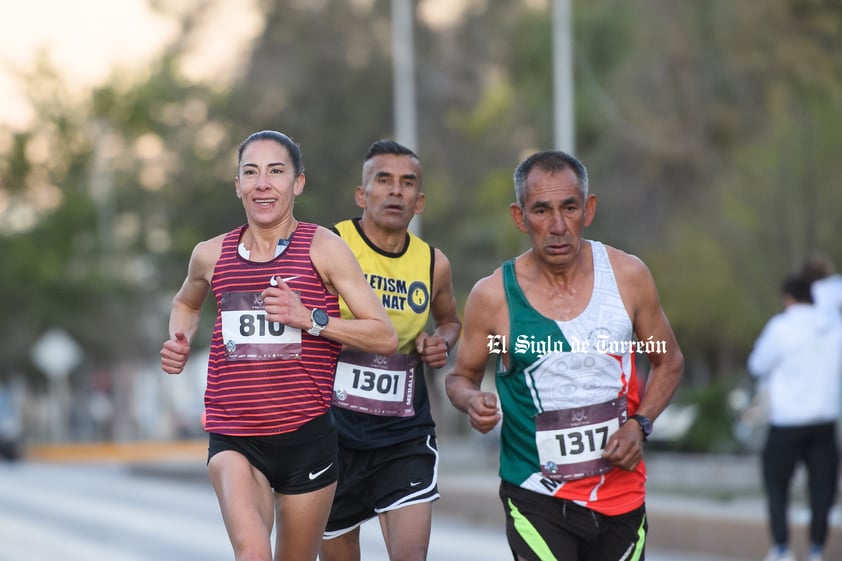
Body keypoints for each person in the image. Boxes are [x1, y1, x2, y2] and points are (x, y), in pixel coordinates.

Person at [159, 130, 398, 561]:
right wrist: (179, 337)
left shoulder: (324, 248)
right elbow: (185, 302)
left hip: (307, 437)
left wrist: (310, 318)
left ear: (298, 183)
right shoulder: (210, 255)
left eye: (276, 171)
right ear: (238, 186)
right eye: (251, 173)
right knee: (252, 554)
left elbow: (384, 334)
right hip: (235, 436)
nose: (263, 183)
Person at [444, 150, 684, 561]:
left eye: (569, 207)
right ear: (520, 218)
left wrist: (640, 425)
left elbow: (668, 360)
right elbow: (460, 376)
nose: (558, 226)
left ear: (587, 209)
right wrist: (472, 401)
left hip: (621, 494)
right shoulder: (493, 297)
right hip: (536, 493)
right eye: (542, 210)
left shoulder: (628, 277)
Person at [319, 139, 462, 561]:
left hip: (404, 433)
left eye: (407, 183)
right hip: (331, 434)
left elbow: (450, 320)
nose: (396, 191)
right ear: (362, 195)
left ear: (419, 202)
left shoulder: (433, 263)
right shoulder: (329, 244)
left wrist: (441, 342)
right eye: (384, 180)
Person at [747, 274, 842, 561]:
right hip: (824, 423)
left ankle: (781, 548)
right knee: (822, 491)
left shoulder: (781, 327)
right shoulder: (835, 328)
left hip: (786, 422)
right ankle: (816, 549)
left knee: (777, 487)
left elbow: (757, 365)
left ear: (788, 298)